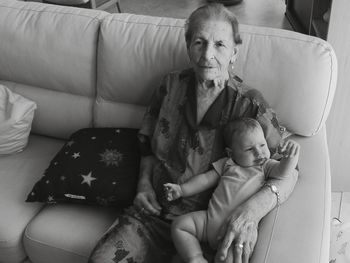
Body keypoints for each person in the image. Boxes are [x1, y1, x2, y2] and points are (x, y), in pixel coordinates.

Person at [88, 3, 298, 263]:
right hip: (153, 216)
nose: (207, 54)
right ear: (188, 46)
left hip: (215, 225)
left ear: (234, 52)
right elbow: (146, 148)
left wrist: (251, 213)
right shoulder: (170, 85)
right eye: (199, 42)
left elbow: (291, 172)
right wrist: (143, 186)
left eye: (220, 44)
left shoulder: (250, 104)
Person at [164, 118, 300, 263]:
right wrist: (182, 190)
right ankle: (196, 257)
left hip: (238, 232)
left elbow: (283, 173)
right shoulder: (227, 164)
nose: (259, 152)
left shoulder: (265, 166)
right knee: (180, 225)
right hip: (208, 221)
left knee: (230, 258)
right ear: (231, 153)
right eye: (249, 149)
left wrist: (291, 156)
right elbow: (204, 180)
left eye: (262, 145)